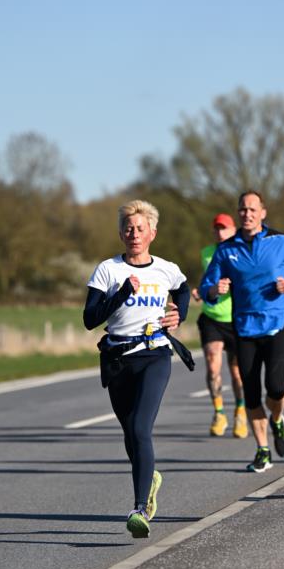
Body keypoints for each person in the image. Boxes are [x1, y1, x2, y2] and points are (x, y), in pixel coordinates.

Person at [83, 200, 193, 538]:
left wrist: (179, 314)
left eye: (140, 228)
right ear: (120, 233)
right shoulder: (108, 270)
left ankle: (139, 508)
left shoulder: (165, 268)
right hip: (118, 359)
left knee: (142, 427)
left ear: (152, 233)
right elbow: (90, 320)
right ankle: (151, 478)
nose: (134, 234)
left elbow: (183, 288)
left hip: (155, 354)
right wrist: (122, 294)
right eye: (129, 228)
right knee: (131, 432)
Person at [199, 191, 284, 473]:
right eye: (242, 210)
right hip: (244, 328)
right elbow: (205, 288)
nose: (246, 214)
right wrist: (215, 290)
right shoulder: (227, 250)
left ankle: (277, 420)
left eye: (252, 209)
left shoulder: (281, 242)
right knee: (250, 394)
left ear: (263, 213)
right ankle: (262, 449)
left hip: (275, 326)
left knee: (275, 389)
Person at [191, 213, 248, 438]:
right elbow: (207, 280)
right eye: (216, 229)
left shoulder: (241, 250)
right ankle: (219, 412)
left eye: (224, 228)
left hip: (236, 318)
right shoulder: (206, 253)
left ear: (234, 230)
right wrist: (201, 291)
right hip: (212, 317)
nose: (219, 232)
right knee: (213, 364)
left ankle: (241, 412)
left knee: (237, 372)